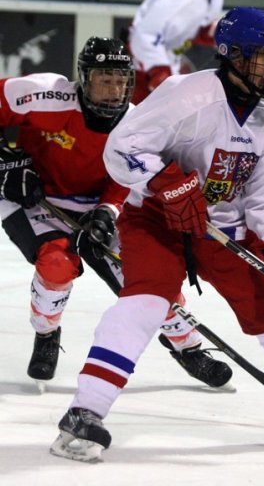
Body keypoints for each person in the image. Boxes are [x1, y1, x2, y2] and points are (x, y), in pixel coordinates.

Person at [50, 7, 264, 462]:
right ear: (233, 56)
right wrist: (164, 180)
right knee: (146, 301)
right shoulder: (187, 94)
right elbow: (123, 148)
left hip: (224, 230)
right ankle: (85, 412)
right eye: (263, 58)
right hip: (155, 220)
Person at [0, 36, 231, 390]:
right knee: (56, 265)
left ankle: (188, 347)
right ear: (83, 77)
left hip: (96, 205)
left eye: (121, 80)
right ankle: (46, 333)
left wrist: (107, 211)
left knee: (148, 276)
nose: (113, 89)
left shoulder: (138, 122)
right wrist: (6, 162)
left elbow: (130, 176)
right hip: (35, 198)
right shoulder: (43, 94)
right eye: (104, 79)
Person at [127, 0, 238, 104]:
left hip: (167, 64)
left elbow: (196, 29)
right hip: (140, 65)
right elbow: (145, 33)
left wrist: (224, 37)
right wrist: (159, 69)